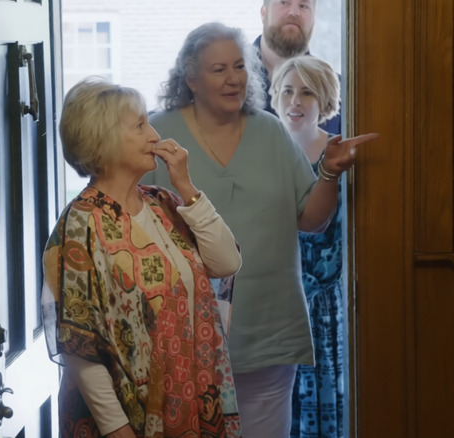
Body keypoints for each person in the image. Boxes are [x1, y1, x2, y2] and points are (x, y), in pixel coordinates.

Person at [141, 22, 378, 437]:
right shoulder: (157, 134)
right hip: (184, 336)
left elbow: (310, 219)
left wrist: (329, 173)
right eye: (218, 70)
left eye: (239, 66)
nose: (234, 79)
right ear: (191, 78)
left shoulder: (270, 130)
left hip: (270, 330)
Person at [41, 77, 244, 438]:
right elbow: (78, 345)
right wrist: (117, 429)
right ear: (102, 140)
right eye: (140, 126)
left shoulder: (162, 203)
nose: (154, 135)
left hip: (191, 402)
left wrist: (186, 187)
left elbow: (227, 263)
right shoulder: (82, 224)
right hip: (126, 421)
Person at [269, 55, 345, 438]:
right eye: (286, 91)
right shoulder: (264, 152)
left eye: (306, 92)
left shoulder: (340, 153)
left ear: (325, 101)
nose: (294, 101)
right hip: (270, 296)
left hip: (324, 301)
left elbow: (340, 239)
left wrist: (305, 287)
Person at [254, 0, 342, 136]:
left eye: (303, 6)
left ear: (314, 20)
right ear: (263, 13)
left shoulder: (341, 93)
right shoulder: (227, 83)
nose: (294, 13)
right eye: (284, 2)